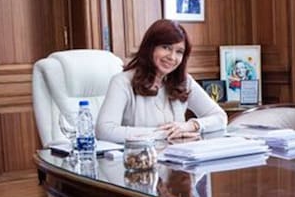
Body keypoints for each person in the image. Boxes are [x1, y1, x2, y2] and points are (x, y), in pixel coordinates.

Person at [96, 19, 227, 143]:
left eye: (179, 51)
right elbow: (104, 130)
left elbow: (220, 117)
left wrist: (191, 125)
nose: (172, 57)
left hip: (177, 160)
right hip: (138, 160)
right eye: (166, 47)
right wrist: (164, 134)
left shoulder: (184, 81)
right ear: (150, 47)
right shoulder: (122, 82)